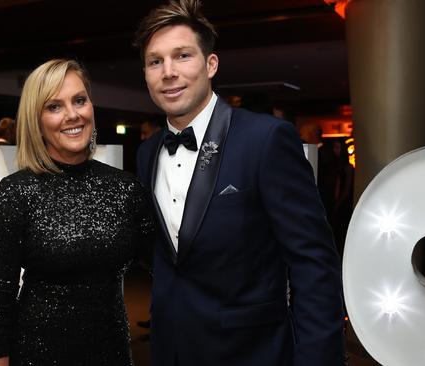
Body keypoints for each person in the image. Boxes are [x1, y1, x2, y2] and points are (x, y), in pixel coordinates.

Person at [134, 1, 346, 365]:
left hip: (251, 352)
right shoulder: (147, 152)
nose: (168, 72)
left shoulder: (266, 140)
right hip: (172, 349)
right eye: (156, 61)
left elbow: (313, 265)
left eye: (182, 56)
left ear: (210, 64)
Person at [0, 59, 153, 366]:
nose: (73, 114)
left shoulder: (125, 187)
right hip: (37, 353)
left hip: (111, 351)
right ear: (37, 121)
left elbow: (166, 266)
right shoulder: (16, 192)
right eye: (54, 106)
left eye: (79, 100)